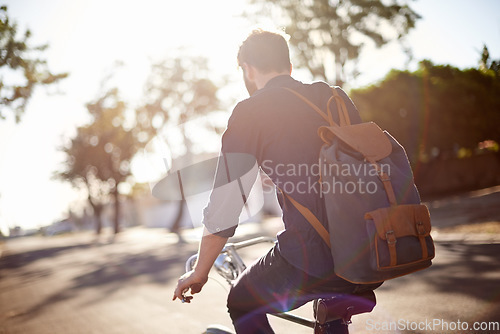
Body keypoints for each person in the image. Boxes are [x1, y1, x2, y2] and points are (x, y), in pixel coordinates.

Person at [173, 29, 380, 333]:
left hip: (315, 257)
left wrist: (200, 272)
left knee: (242, 302)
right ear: (289, 65)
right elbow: (351, 164)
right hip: (370, 248)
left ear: (248, 68)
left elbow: (224, 206)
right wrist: (282, 174)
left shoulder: (250, 111)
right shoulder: (333, 96)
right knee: (331, 310)